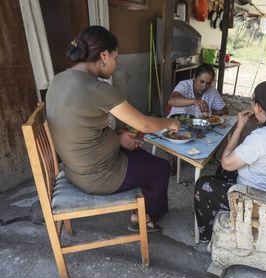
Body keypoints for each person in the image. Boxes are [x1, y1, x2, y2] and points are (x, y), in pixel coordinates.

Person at [46, 26, 180, 231]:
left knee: (142, 156)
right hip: (98, 177)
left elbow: (83, 127)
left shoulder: (59, 79)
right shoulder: (98, 89)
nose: (116, 65)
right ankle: (144, 218)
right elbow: (145, 124)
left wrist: (118, 138)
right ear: (104, 55)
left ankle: (142, 207)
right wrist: (171, 122)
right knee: (162, 168)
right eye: (116, 59)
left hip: (74, 168)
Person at [194, 81, 266, 242]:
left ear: (259, 107)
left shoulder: (264, 137)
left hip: (263, 202)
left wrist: (240, 126)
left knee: (203, 185)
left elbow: (226, 162)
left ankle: (207, 236)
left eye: (253, 101)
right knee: (226, 170)